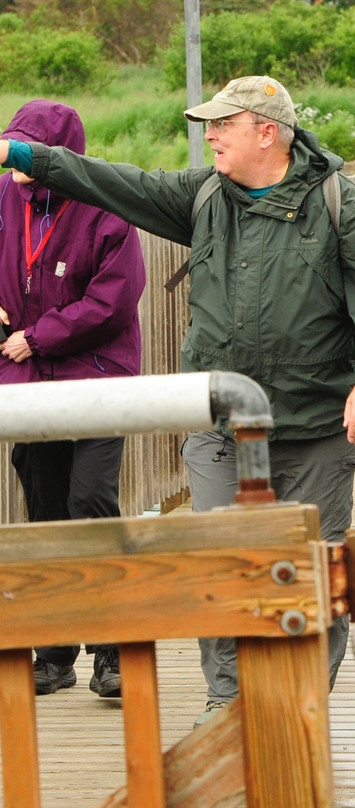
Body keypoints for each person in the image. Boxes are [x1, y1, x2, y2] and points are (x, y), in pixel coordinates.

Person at [0, 76, 355, 727]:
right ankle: (227, 709)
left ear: (266, 131)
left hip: (314, 424)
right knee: (219, 567)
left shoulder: (337, 201)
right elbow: (110, 181)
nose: (208, 137)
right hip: (219, 427)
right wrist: (25, 156)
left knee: (311, 570)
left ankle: (298, 711)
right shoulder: (204, 196)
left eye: (220, 126)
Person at [0, 100, 147, 698]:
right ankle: (55, 653)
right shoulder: (6, 198)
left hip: (93, 378)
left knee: (90, 501)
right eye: (11, 148)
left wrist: (37, 336)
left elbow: (114, 300)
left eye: (26, 151)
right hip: (28, 383)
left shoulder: (104, 203)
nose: (13, 162)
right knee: (45, 508)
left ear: (61, 158)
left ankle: (111, 652)